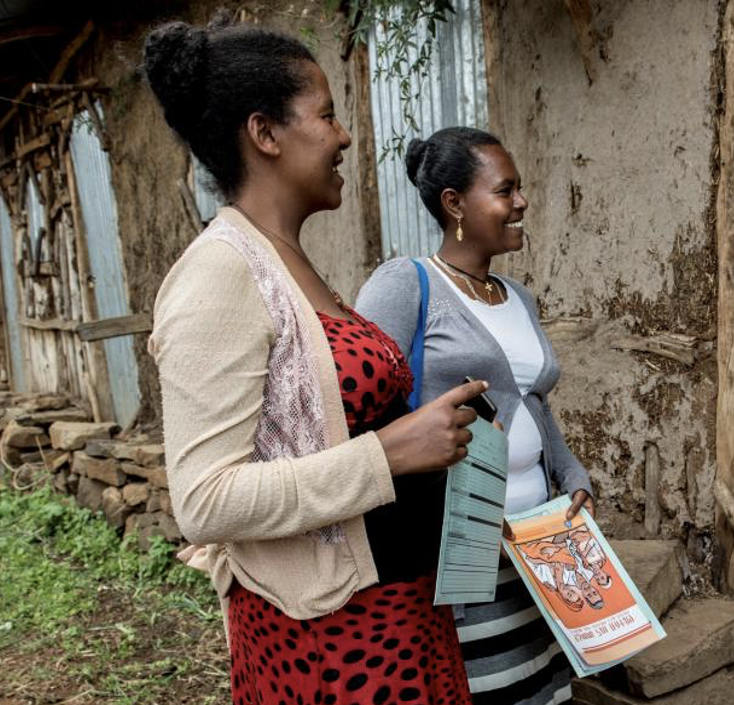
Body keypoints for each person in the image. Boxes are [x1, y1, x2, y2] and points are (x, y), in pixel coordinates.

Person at [143, 16, 487, 704]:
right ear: (264, 133)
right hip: (332, 641)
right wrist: (387, 454)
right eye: (326, 115)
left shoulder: (289, 260)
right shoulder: (219, 274)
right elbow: (205, 499)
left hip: (401, 612)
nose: (345, 136)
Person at [356, 126, 593, 705]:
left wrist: (571, 473)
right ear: (454, 204)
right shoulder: (407, 285)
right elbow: (361, 406)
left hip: (539, 541)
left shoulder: (518, 297)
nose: (521, 203)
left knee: (544, 685)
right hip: (460, 548)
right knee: (484, 686)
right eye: (505, 190)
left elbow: (531, 399)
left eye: (519, 190)